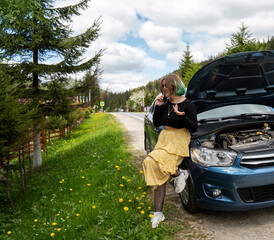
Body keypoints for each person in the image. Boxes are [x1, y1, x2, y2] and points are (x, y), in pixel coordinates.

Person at [142, 74, 197, 228]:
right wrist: (158, 106)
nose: (164, 88)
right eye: (162, 86)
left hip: (179, 138)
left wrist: (183, 117)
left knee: (159, 164)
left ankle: (178, 174)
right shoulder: (164, 103)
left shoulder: (188, 104)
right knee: (151, 163)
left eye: (167, 85)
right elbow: (158, 122)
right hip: (165, 138)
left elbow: (194, 127)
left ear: (175, 85)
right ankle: (159, 212)